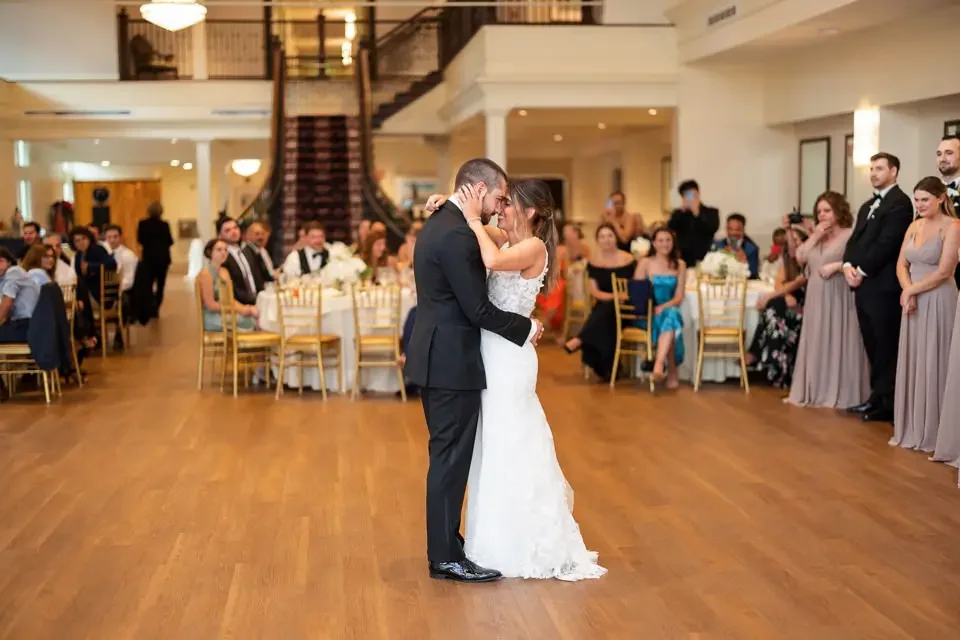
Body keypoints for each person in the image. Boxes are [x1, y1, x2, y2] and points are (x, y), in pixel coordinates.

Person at [424, 174, 605, 581]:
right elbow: (468, 223)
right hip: (490, 352)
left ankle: (521, 541)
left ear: (531, 211)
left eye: (508, 203)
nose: (500, 208)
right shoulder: (506, 239)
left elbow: (489, 259)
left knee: (511, 440)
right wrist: (448, 201)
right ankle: (491, 540)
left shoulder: (533, 247)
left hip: (508, 358)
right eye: (500, 201)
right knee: (492, 445)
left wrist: (472, 219)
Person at [404, 158, 544, 584]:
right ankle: (446, 556)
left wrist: (450, 203)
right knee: (449, 460)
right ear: (479, 190)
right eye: (499, 197)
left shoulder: (442, 224)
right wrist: (527, 328)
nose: (500, 206)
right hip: (451, 361)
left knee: (449, 456)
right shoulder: (458, 234)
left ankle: (449, 544)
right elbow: (478, 309)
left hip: (441, 356)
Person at [842, 152, 915, 423]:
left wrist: (861, 270)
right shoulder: (866, 206)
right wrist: (847, 265)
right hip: (863, 286)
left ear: (893, 171)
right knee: (871, 343)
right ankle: (876, 397)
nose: (873, 173)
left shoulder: (900, 204)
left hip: (884, 287)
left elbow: (888, 243)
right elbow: (854, 240)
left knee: (885, 345)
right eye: (872, 168)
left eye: (879, 168)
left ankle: (888, 403)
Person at [890, 178, 960, 452]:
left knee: (935, 359)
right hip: (913, 299)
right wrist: (908, 290)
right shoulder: (914, 225)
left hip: (939, 298)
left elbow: (945, 271)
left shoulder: (953, 226)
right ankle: (914, 426)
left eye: (924, 200)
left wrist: (911, 291)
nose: (919, 205)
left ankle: (937, 430)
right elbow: (901, 264)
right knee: (916, 358)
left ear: (941, 198)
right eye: (916, 199)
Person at [562, 224, 637, 381]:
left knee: (604, 312)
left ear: (616, 238)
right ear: (597, 240)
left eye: (610, 236)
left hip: (626, 309)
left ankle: (581, 339)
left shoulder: (628, 259)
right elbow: (595, 292)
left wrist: (620, 297)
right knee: (606, 312)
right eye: (602, 237)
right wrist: (615, 296)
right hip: (606, 307)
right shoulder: (594, 262)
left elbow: (635, 287)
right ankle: (609, 369)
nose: (606, 240)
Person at [633, 227, 686, 389]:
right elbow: (638, 293)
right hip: (647, 314)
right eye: (661, 240)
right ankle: (671, 370)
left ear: (673, 243)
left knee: (671, 315)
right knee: (672, 319)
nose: (665, 244)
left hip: (667, 308)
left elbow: (679, 297)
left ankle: (658, 363)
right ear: (654, 244)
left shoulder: (680, 265)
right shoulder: (645, 263)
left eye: (668, 240)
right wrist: (653, 307)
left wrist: (663, 307)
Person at [197, 239, 258, 332]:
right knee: (248, 322)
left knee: (252, 317)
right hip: (212, 316)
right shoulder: (206, 273)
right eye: (219, 250)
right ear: (210, 252)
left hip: (226, 312)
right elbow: (211, 305)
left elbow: (230, 298)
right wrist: (237, 310)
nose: (223, 253)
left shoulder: (225, 271)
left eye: (226, 250)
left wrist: (246, 308)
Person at [668, 179, 720, 266]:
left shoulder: (711, 212)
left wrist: (696, 212)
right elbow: (670, 228)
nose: (690, 198)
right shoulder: (678, 213)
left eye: (692, 195)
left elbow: (712, 228)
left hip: (705, 257)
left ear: (698, 194)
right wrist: (681, 212)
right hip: (683, 258)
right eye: (686, 195)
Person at [137, 201, 174, 318]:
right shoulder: (164, 225)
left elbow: (140, 240)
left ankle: (150, 306)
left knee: (148, 284)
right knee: (160, 285)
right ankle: (156, 306)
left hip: (148, 259)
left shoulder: (142, 224)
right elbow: (170, 241)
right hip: (163, 259)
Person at [712, 213, 760, 279]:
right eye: (730, 229)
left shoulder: (752, 249)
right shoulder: (716, 246)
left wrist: (744, 262)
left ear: (743, 230)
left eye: (738, 229)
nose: (733, 233)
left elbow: (754, 275)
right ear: (726, 229)